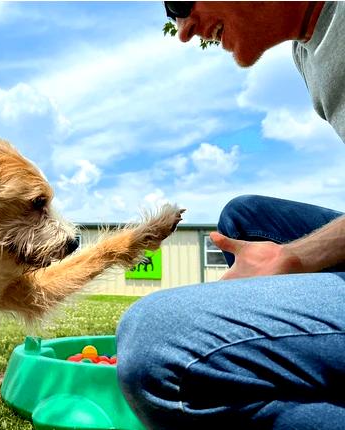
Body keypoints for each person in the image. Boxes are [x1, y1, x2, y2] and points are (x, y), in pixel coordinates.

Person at [116, 2, 345, 429]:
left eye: (180, 4)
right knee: (244, 218)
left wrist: (297, 258)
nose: (182, 30)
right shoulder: (307, 50)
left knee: (160, 344)